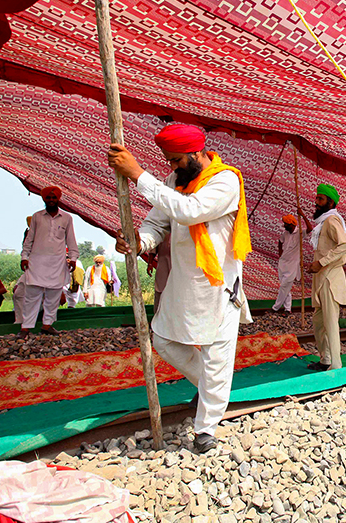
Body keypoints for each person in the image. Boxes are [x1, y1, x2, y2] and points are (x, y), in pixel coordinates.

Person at [108, 123, 251, 454]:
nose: (172, 168)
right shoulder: (174, 183)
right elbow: (158, 223)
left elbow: (189, 211)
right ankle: (213, 389)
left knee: (217, 354)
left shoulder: (226, 180)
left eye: (175, 161)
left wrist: (138, 174)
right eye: (168, 162)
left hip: (218, 285)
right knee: (163, 339)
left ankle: (205, 429)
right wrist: (137, 242)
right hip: (183, 282)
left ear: (196, 154)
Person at [20, 187, 77, 339]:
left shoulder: (67, 218)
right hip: (36, 263)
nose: (51, 200)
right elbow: (29, 240)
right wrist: (24, 257)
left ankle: (47, 325)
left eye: (54, 198)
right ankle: (25, 327)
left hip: (57, 263)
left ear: (58, 199)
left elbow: (71, 240)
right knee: (31, 297)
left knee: (53, 296)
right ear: (44, 199)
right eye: (48, 198)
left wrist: (73, 259)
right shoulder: (37, 217)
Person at [307, 184, 346, 372]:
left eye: (320, 199)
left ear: (330, 202)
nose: (316, 203)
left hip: (330, 278)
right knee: (319, 322)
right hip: (321, 278)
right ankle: (325, 359)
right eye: (316, 198)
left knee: (331, 323)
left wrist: (322, 262)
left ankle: (336, 366)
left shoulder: (332, 220)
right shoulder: (323, 223)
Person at [272, 213, 311, 315]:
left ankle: (275, 308)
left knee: (284, 286)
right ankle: (287, 309)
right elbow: (280, 242)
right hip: (283, 263)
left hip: (293, 265)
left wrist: (302, 215)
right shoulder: (285, 233)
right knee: (286, 287)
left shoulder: (300, 233)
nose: (284, 226)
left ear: (292, 224)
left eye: (286, 224)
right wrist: (280, 253)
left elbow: (310, 228)